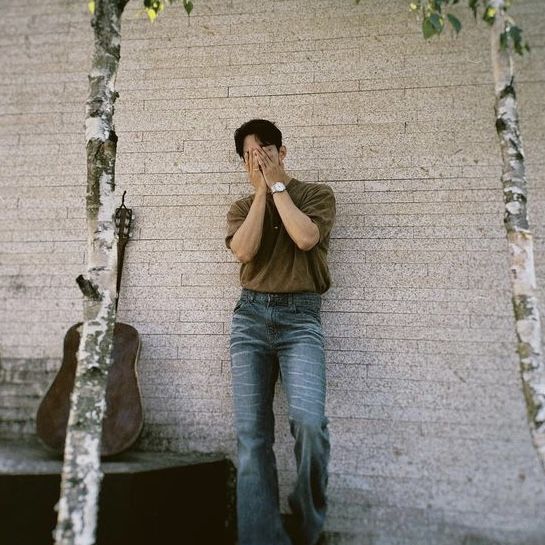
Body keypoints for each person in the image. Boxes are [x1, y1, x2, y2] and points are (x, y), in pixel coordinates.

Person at [225, 118, 336, 545]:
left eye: (265, 152)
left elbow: (306, 238)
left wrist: (276, 186)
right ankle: (262, 539)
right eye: (250, 157)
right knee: (252, 437)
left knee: (309, 423)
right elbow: (245, 251)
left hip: (300, 319)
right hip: (250, 320)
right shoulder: (240, 207)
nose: (259, 161)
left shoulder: (316, 195)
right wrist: (259, 191)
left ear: (282, 152)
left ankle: (308, 529)